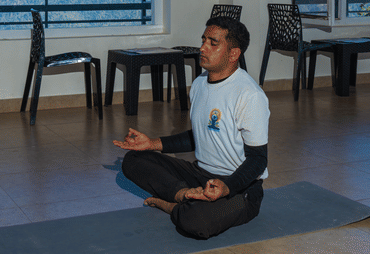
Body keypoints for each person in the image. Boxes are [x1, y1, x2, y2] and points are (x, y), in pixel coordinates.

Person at [113, 16, 269, 239]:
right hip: (199, 176)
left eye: (213, 43)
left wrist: (227, 187)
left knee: (196, 222)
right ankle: (184, 195)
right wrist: (152, 144)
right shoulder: (198, 84)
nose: (202, 47)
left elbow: (258, 159)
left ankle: (172, 206)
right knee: (133, 160)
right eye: (203, 40)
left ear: (233, 54)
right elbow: (200, 135)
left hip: (239, 188)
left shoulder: (249, 95)